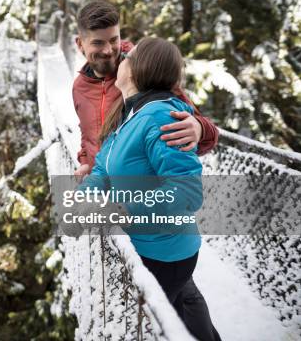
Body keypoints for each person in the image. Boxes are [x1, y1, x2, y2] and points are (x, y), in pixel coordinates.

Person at [81, 37, 221, 341]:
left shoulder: (159, 117)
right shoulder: (130, 113)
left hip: (164, 254)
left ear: (137, 69)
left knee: (163, 328)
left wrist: (122, 208)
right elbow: (104, 166)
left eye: (128, 58)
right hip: (153, 247)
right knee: (185, 315)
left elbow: (187, 193)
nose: (121, 61)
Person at [72, 0, 218, 177]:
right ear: (80, 44)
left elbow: (203, 129)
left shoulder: (142, 73)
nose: (108, 50)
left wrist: (199, 128)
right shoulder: (80, 87)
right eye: (98, 43)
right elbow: (87, 135)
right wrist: (86, 163)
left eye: (113, 40)